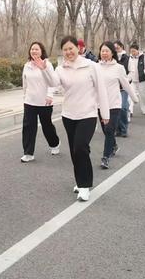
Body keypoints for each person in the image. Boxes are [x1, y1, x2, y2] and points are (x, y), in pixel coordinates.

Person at [38, 36, 109, 202]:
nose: (69, 52)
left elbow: (101, 90)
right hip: (69, 114)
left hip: (88, 114)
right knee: (74, 151)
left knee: (80, 147)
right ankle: (81, 180)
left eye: (71, 48)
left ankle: (84, 186)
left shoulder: (92, 66)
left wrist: (105, 114)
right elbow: (53, 83)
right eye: (65, 50)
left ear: (78, 48)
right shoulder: (61, 68)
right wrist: (44, 69)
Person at [98, 42, 138, 169]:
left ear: (112, 53)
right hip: (100, 104)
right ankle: (113, 145)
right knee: (105, 130)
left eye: (107, 51)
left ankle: (106, 157)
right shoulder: (96, 67)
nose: (104, 53)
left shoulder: (118, 68)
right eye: (102, 51)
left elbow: (125, 84)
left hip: (114, 103)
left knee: (110, 129)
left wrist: (134, 98)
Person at [20, 42, 60, 163]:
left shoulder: (47, 64)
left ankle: (55, 144)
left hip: (44, 102)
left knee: (46, 125)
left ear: (41, 51)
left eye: (36, 49)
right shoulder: (27, 65)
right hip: (30, 101)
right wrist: (24, 96)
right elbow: (24, 83)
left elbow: (52, 81)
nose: (34, 51)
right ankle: (28, 153)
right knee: (28, 127)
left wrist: (50, 95)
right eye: (32, 49)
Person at [128, 44, 145, 115]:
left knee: (142, 95)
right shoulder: (130, 58)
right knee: (131, 95)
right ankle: (130, 110)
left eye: (134, 51)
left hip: (141, 79)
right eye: (131, 51)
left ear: (138, 50)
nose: (133, 53)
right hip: (132, 80)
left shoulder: (143, 57)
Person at [114, 41, 130, 137]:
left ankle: (124, 129)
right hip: (113, 88)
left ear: (122, 47)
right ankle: (117, 129)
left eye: (118, 48)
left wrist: (126, 81)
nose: (116, 50)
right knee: (115, 109)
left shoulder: (127, 58)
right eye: (114, 48)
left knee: (123, 108)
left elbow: (131, 72)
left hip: (123, 87)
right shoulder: (112, 59)